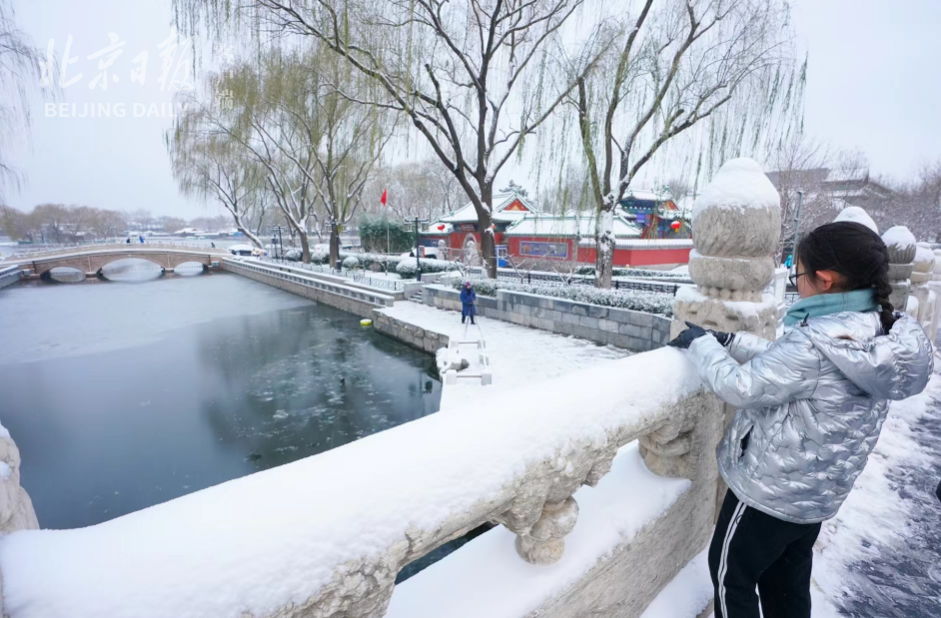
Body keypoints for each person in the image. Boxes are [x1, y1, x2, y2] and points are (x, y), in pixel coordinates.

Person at [668, 221, 933, 618]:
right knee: (786, 587)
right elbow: (790, 365)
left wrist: (701, 344)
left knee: (731, 578)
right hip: (815, 496)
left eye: (799, 274)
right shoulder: (880, 331)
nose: (798, 283)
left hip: (766, 494)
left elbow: (741, 387)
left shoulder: (815, 340)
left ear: (824, 280)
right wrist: (733, 341)